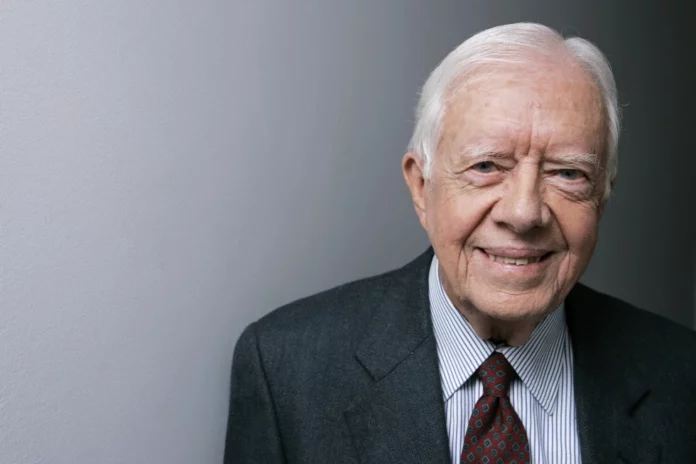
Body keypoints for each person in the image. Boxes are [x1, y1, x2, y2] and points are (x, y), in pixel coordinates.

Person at [223, 23, 696, 464]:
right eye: (486, 166)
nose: (524, 213)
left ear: (602, 196)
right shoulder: (285, 369)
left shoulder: (682, 375)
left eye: (568, 173)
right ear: (421, 187)